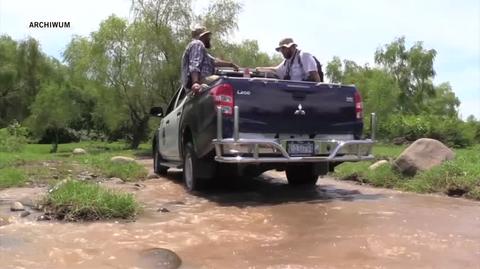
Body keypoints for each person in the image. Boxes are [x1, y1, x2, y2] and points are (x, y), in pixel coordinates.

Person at [181, 26, 239, 93]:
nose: (209, 38)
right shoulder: (197, 44)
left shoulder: (202, 50)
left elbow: (214, 61)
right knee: (224, 82)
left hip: (200, 81)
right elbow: (194, 63)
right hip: (200, 81)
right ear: (203, 36)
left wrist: (230, 64)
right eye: (207, 36)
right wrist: (195, 82)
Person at [256, 38, 321, 82]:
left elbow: (315, 76)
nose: (282, 51)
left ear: (292, 47)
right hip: (293, 93)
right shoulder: (287, 62)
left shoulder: (304, 56)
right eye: (281, 49)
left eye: (284, 48)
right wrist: (259, 69)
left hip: (305, 94)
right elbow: (275, 70)